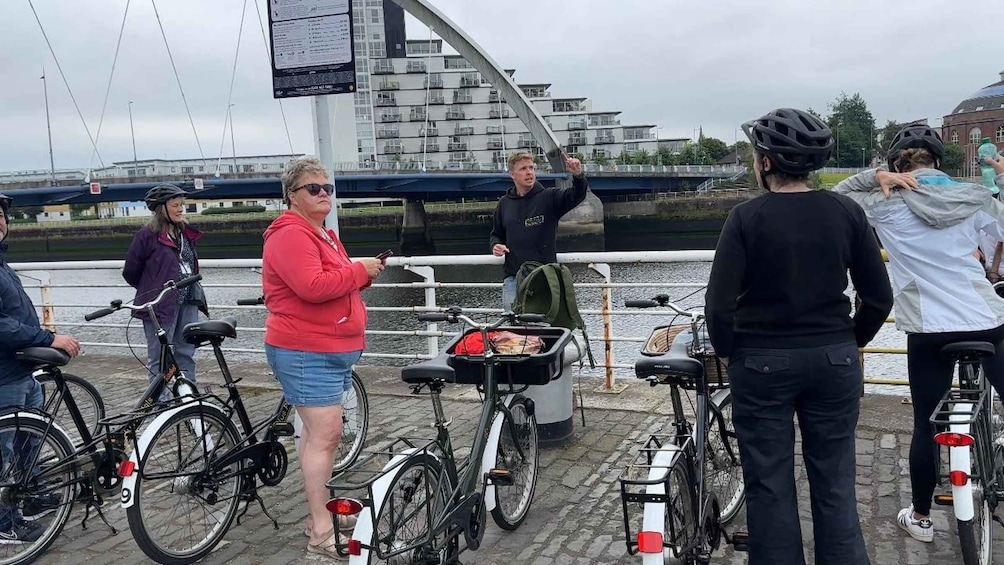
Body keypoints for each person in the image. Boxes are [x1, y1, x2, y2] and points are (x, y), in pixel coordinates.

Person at [705, 108, 893, 565]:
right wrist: (849, 343)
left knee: (769, 485)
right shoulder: (846, 211)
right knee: (835, 482)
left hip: (762, 363)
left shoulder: (746, 217)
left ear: (766, 163)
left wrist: (734, 355)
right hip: (834, 361)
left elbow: (718, 308)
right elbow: (879, 297)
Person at [833, 124, 1004, 544]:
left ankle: (922, 517)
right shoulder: (977, 197)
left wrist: (875, 178)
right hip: (985, 318)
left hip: (928, 329)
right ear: (939, 162)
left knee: (925, 424)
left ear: (896, 164)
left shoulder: (885, 203)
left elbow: (835, 198)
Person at [261, 157, 384, 557]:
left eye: (327, 188)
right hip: (305, 349)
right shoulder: (289, 234)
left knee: (318, 437)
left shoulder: (322, 234)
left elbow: (334, 284)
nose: (323, 194)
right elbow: (312, 286)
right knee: (326, 435)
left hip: (327, 348)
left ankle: (322, 511)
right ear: (292, 195)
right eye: (314, 188)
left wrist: (359, 273)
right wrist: (359, 271)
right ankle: (319, 530)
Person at [0, 192, 81, 543]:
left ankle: (27, 498)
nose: (0, 221)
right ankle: (5, 522)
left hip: (20, 368)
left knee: (29, 441)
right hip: (3, 374)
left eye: (1, 215)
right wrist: (46, 339)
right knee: (1, 452)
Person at [123, 184, 208, 400]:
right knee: (160, 358)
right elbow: (131, 271)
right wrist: (150, 289)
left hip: (188, 300)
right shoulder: (147, 236)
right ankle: (160, 407)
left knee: (185, 353)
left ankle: (187, 401)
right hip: (161, 305)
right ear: (162, 209)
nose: (181, 209)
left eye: (182, 205)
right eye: (176, 205)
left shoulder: (184, 234)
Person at [489, 151, 588, 310]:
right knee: (514, 328)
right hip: (513, 279)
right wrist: (495, 245)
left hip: (544, 278)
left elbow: (577, 195)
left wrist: (578, 175)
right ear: (512, 174)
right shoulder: (504, 204)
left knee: (543, 328)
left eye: (531, 168)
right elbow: (496, 234)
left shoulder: (549, 197)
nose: (529, 172)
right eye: (523, 169)